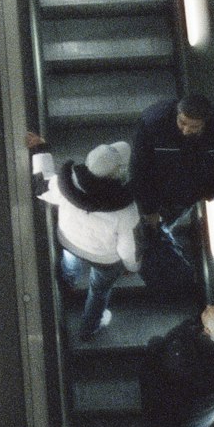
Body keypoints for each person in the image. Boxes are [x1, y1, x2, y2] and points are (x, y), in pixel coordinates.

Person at [31, 136, 140, 341]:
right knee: (99, 292)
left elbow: (42, 188)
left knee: (70, 263)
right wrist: (131, 266)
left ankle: (68, 282)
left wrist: (40, 150)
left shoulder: (66, 183)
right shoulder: (126, 210)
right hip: (104, 259)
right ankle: (89, 327)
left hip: (69, 241)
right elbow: (128, 249)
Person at [131, 93, 214, 239]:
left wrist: (209, 191)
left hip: (186, 196)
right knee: (144, 228)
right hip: (156, 187)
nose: (186, 130)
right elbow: (139, 168)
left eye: (194, 126)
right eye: (182, 122)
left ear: (205, 123)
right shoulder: (153, 123)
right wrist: (149, 209)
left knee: (166, 225)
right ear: (177, 113)